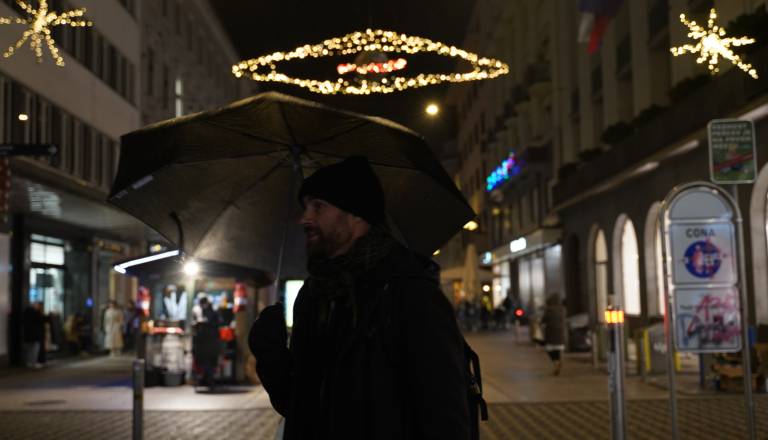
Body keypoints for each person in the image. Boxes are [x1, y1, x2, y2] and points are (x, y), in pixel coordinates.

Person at [249, 156, 469, 440]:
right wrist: (271, 354)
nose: (305, 219)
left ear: (357, 215)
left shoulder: (410, 294)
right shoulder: (314, 296)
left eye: (318, 207)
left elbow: (445, 418)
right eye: (305, 207)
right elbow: (298, 407)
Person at [193, 296, 221, 389]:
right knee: (209, 363)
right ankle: (208, 381)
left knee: (207, 362)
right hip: (210, 342)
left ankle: (209, 381)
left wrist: (199, 324)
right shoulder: (212, 310)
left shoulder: (210, 312)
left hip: (207, 343)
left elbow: (208, 323)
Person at [541, 294, 567, 375]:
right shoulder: (563, 309)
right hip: (561, 333)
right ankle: (559, 360)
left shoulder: (549, 309)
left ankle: (556, 363)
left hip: (551, 333)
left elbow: (543, 320)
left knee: (550, 349)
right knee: (559, 348)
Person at [22, 302, 45, 368]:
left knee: (29, 350)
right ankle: (33, 363)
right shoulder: (36, 314)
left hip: (27, 335)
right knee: (35, 349)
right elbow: (41, 320)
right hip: (35, 335)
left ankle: (29, 362)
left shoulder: (25, 315)